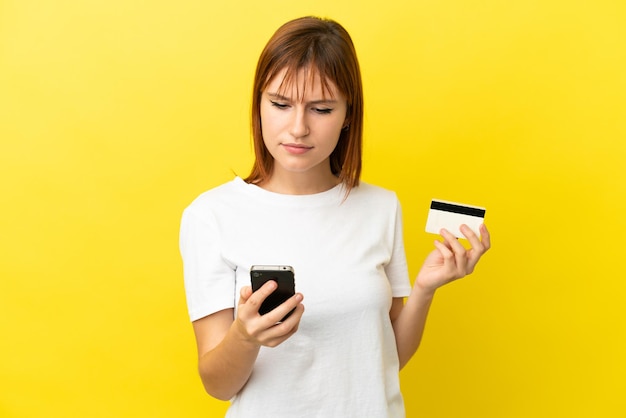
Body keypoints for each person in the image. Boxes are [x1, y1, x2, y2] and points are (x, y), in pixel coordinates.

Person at [179, 16, 491, 418]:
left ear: (348, 115)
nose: (297, 128)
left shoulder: (381, 207)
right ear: (258, 106)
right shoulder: (211, 216)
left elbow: (385, 357)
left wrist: (426, 288)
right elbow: (217, 385)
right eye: (279, 104)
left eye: (321, 109)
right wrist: (245, 335)